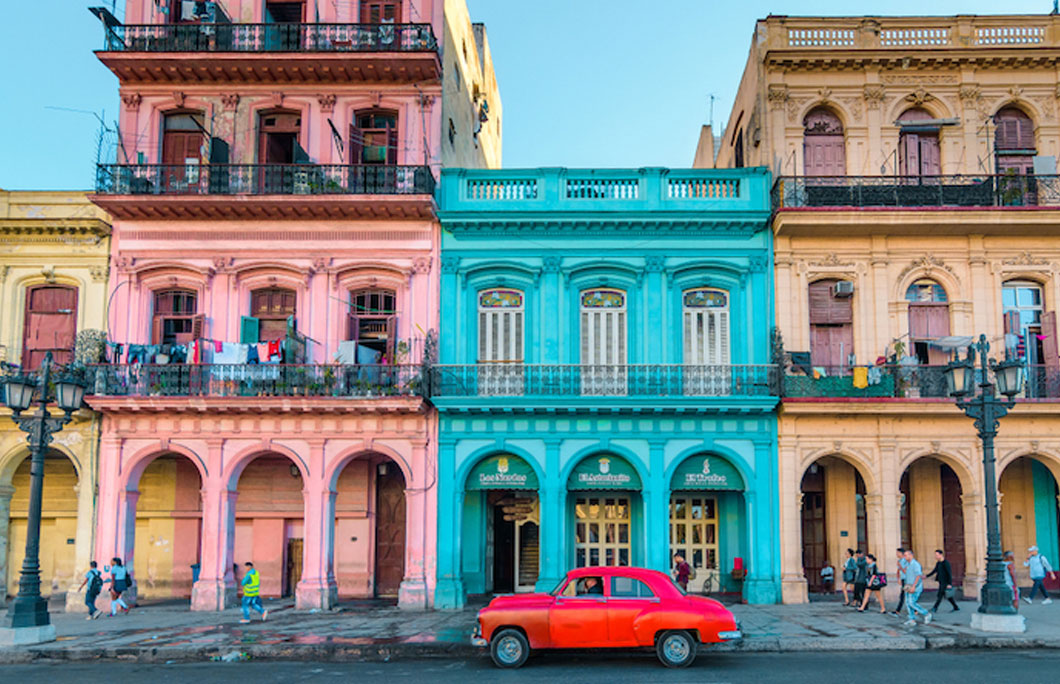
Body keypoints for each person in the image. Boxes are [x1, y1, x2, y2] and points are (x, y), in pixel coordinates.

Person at [902, 549, 931, 626]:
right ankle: (912, 619)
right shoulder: (907, 564)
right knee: (908, 603)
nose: (904, 557)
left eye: (906, 555)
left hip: (915, 586)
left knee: (912, 602)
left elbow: (918, 575)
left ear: (911, 555)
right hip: (908, 585)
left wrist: (914, 586)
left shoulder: (915, 564)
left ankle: (926, 613)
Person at [891, 547, 908, 617]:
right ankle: (898, 610)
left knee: (905, 595)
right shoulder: (900, 561)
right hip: (903, 579)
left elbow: (905, 571)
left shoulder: (905, 561)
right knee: (903, 595)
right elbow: (898, 571)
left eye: (898, 553)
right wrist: (898, 578)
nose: (897, 554)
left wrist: (899, 566)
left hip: (907, 580)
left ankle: (898, 610)